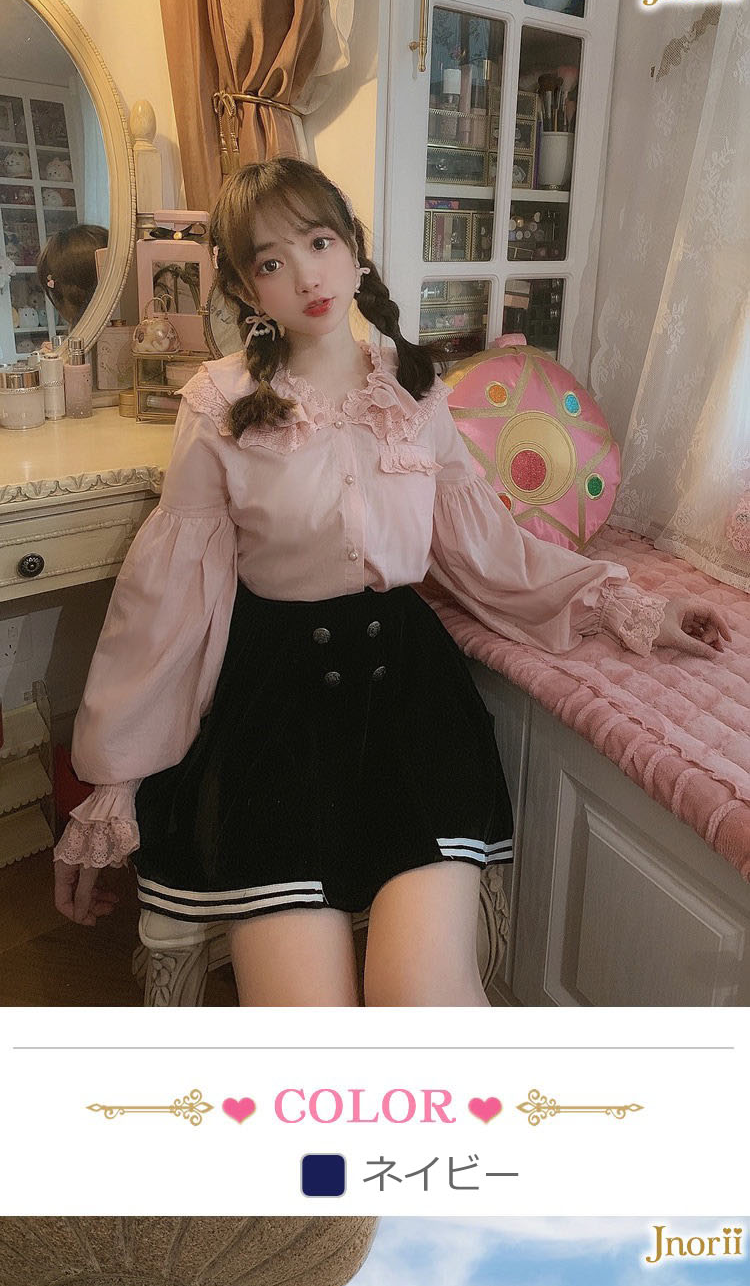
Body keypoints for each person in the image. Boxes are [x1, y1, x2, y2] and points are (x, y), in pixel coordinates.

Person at [54, 163, 726, 1000]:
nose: (307, 275)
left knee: (425, 1000)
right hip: (276, 720)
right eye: (271, 261)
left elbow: (487, 549)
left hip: (411, 705)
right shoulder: (217, 402)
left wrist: (631, 605)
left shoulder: (415, 390)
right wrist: (113, 779)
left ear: (354, 249)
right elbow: (168, 601)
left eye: (319, 241)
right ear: (246, 288)